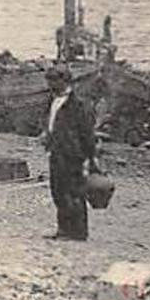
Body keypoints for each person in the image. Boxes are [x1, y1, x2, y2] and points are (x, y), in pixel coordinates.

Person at [42, 63, 98, 240]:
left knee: (73, 192)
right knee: (58, 190)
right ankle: (63, 229)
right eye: (49, 80)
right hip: (56, 151)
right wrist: (47, 136)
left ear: (64, 81)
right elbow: (51, 123)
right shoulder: (53, 101)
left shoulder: (78, 104)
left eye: (53, 81)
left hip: (73, 153)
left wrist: (91, 157)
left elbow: (87, 133)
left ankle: (79, 232)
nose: (49, 85)